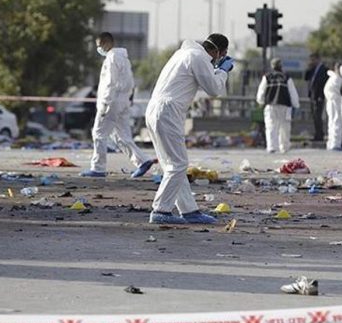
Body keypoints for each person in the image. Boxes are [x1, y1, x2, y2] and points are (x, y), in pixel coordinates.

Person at [146, 34, 234, 224]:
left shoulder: (184, 53)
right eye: (222, 55)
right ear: (220, 52)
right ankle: (160, 210)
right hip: (168, 112)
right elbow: (214, 89)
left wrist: (216, 69)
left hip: (156, 110)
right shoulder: (199, 57)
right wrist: (223, 71)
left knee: (173, 165)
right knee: (177, 165)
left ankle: (189, 210)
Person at [81, 32, 155, 178]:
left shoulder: (112, 58)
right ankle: (143, 160)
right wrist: (129, 98)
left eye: (99, 46)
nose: (98, 49)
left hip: (112, 102)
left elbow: (110, 83)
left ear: (106, 43)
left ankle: (98, 168)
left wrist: (105, 104)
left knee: (99, 133)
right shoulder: (124, 58)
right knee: (121, 136)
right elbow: (130, 81)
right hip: (123, 101)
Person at [256, 58, 300, 153]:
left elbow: (261, 92)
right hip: (285, 106)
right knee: (285, 127)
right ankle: (284, 147)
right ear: (281, 66)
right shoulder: (286, 77)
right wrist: (295, 105)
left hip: (271, 105)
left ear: (272, 66)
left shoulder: (267, 77)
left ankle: (272, 147)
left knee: (271, 126)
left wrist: (261, 102)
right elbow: (293, 92)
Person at [304, 53, 328, 142]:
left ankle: (320, 135)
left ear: (318, 59)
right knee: (314, 116)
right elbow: (306, 78)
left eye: (313, 60)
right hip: (313, 96)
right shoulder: (312, 69)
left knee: (318, 116)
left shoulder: (324, 69)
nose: (312, 62)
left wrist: (322, 95)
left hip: (319, 96)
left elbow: (324, 83)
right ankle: (317, 134)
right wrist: (308, 68)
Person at [323, 61, 342, 151]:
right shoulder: (337, 79)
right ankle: (335, 143)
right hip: (336, 103)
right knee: (336, 122)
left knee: (332, 123)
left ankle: (331, 143)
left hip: (332, 103)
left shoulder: (332, 78)